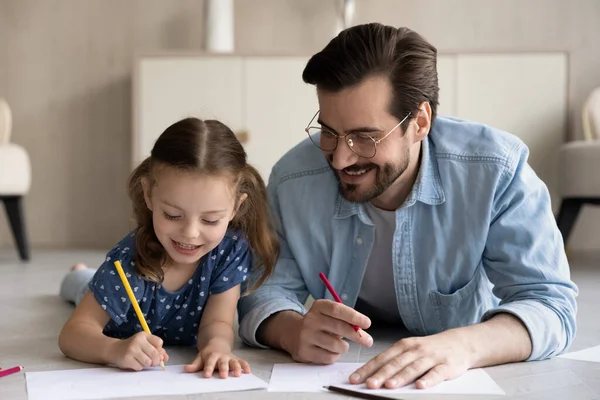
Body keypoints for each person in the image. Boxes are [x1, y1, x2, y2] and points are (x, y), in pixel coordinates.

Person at [237, 23, 578, 390]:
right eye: (329, 132)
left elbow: (550, 303)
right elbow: (261, 289)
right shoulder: (293, 179)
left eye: (364, 137)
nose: (339, 158)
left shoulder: (496, 171)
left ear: (419, 122)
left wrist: (464, 346)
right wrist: (293, 331)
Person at [58, 117, 279, 378]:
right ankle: (79, 273)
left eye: (210, 220)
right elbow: (73, 334)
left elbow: (218, 322)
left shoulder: (229, 251)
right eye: (173, 215)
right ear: (148, 194)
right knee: (82, 284)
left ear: (236, 208)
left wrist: (216, 347)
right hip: (111, 294)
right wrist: (115, 349)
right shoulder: (126, 261)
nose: (190, 233)